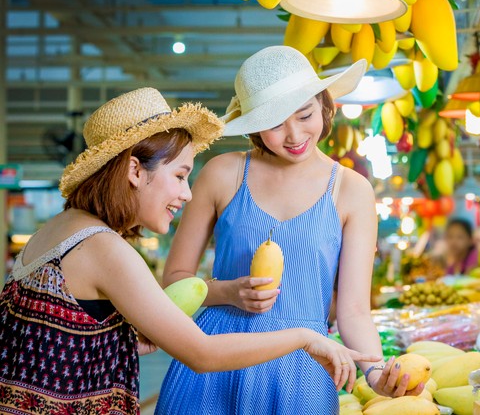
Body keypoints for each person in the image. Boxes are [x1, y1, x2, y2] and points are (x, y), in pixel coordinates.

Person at [0, 88, 377, 415]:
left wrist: (124, 337)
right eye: (180, 176)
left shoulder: (58, 230)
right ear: (134, 171)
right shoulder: (104, 248)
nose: (188, 193)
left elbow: (54, 340)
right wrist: (304, 337)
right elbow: (202, 354)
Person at [156, 46, 422, 414]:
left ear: (324, 104)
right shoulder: (223, 173)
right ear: (253, 125)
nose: (294, 134)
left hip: (303, 366)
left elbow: (355, 309)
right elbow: (175, 281)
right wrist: (228, 292)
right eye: (275, 123)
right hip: (216, 358)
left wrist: (375, 373)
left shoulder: (351, 190)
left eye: (305, 114)